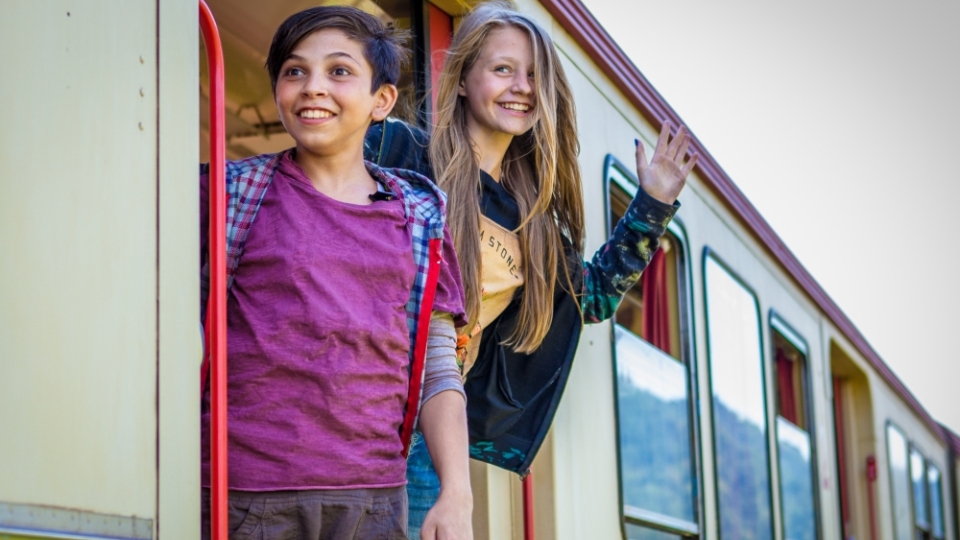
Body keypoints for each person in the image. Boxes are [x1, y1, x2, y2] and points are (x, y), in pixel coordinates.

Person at [364, 2, 698, 535]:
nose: (522, 86)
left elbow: (592, 298)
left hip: (427, 437)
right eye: (503, 69)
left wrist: (651, 206)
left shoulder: (534, 224)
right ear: (464, 79)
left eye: (535, 77)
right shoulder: (398, 149)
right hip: (348, 411)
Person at [198, 7, 473, 539]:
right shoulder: (232, 193)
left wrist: (456, 492)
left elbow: (439, 366)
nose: (312, 88)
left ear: (381, 101)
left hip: (373, 500)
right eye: (294, 71)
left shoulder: (419, 215)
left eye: (339, 71)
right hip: (243, 494)